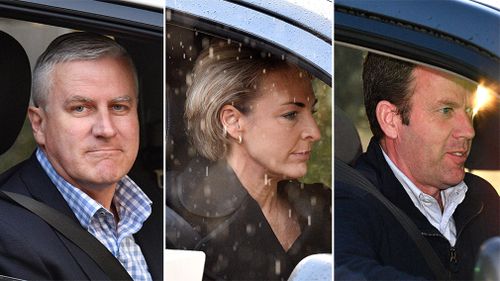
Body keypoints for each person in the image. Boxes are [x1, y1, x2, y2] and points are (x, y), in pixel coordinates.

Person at [0, 32, 162, 280]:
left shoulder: (153, 203)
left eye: (119, 107)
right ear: (39, 124)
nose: (106, 129)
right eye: (80, 108)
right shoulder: (7, 235)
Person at [166, 41, 331, 280]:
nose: (314, 132)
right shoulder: (173, 216)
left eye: (311, 112)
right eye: (291, 114)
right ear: (233, 121)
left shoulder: (326, 209)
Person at [334, 53, 500, 280]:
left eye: (469, 111)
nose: (469, 131)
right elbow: (344, 271)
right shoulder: (348, 204)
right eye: (446, 110)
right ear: (391, 119)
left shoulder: (482, 198)